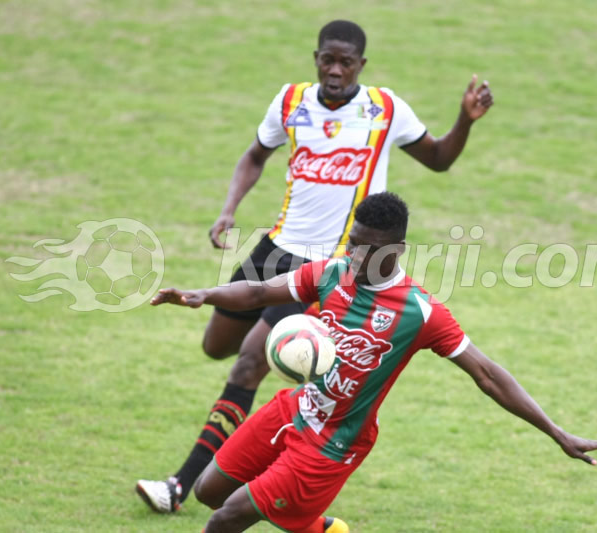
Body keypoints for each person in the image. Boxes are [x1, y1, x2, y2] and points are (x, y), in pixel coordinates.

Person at [137, 19, 494, 512]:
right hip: (276, 249)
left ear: (361, 66)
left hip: (331, 266)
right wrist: (228, 209)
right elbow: (254, 155)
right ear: (316, 58)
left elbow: (437, 159)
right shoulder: (290, 102)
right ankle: (268, 460)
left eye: (346, 61)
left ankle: (181, 486)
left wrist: (465, 122)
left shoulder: (385, 109)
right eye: (328, 58)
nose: (335, 69)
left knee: (248, 361)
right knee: (215, 346)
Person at [150, 192, 597, 533]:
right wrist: (203, 294)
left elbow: (487, 374)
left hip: (333, 445)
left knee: (224, 519)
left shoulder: (420, 313)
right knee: (209, 491)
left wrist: (557, 432)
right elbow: (257, 291)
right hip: (293, 409)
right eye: (353, 241)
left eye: (368, 248)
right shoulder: (333, 272)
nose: (355, 254)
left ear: (395, 251)